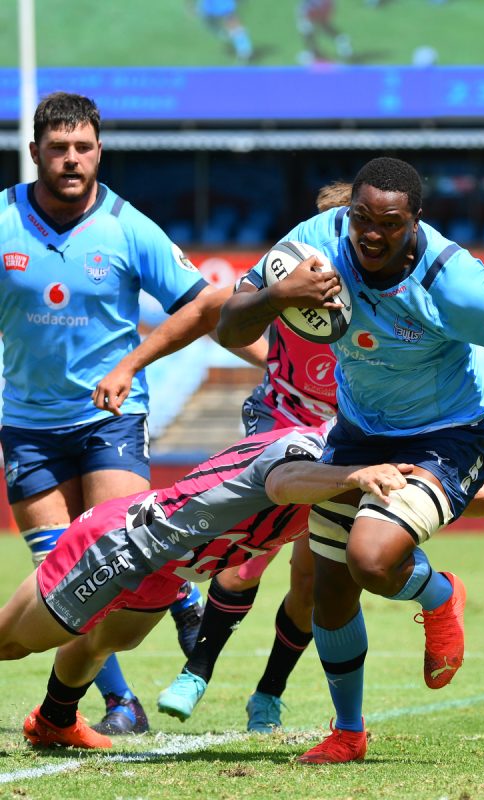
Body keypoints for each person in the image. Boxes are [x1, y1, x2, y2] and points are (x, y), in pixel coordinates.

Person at [217, 156, 484, 764]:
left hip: (448, 436)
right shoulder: (312, 245)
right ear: (346, 211)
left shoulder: (454, 282)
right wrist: (279, 294)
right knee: (329, 590)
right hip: (358, 430)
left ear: (415, 222)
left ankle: (437, 594)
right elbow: (227, 325)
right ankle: (348, 733)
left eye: (389, 223)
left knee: (369, 558)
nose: (371, 235)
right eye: (361, 219)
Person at [0, 423, 484, 750]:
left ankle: (54, 719)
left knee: (111, 642)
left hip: (171, 569)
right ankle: (52, 711)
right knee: (17, 641)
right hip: (126, 546)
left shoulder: (351, 469)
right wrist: (350, 473)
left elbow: (419, 495)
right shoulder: (308, 452)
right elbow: (284, 483)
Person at [0, 91, 264, 737]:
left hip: (108, 421)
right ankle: (116, 704)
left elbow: (205, 305)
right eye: (57, 149)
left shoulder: (126, 226)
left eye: (83, 148)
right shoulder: (2, 219)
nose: (70, 159)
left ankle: (174, 597)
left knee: (120, 557)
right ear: (34, 152)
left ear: (99, 152)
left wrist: (274, 362)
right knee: (62, 576)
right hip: (27, 428)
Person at [156, 182, 352, 732]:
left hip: (342, 442)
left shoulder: (376, 302)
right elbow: (220, 313)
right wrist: (269, 356)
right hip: (278, 424)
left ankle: (268, 693)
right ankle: (197, 670)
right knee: (248, 555)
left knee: (311, 579)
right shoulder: (283, 277)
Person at [296, 0, 353, 65]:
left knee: (309, 28)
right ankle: (343, 44)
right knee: (318, 27)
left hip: (316, 4)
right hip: (319, 4)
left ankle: (313, 53)